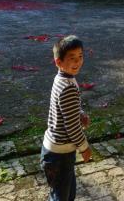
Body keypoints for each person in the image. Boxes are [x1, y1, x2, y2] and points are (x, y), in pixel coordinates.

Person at [41, 35, 92, 201]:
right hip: (59, 155)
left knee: (66, 193)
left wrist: (80, 113)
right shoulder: (68, 87)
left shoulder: (63, 78)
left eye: (80, 56)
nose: (77, 61)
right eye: (72, 58)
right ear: (59, 62)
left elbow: (65, 109)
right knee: (61, 197)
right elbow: (72, 127)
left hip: (56, 151)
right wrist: (84, 147)